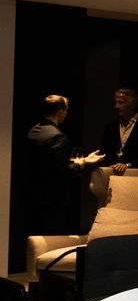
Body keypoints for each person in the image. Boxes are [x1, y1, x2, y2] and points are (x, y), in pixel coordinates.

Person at [26, 95, 101, 234]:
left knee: (36, 238)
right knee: (51, 238)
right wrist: (81, 164)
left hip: (34, 196)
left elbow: (45, 162)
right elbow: (62, 171)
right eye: (66, 110)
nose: (66, 113)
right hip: (53, 199)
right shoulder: (58, 136)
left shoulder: (33, 131)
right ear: (60, 112)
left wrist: (81, 161)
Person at [98, 87, 138, 174]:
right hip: (113, 175)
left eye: (121, 103)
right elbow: (104, 155)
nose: (117, 106)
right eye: (115, 102)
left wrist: (129, 165)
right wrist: (109, 166)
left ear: (133, 104)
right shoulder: (110, 127)